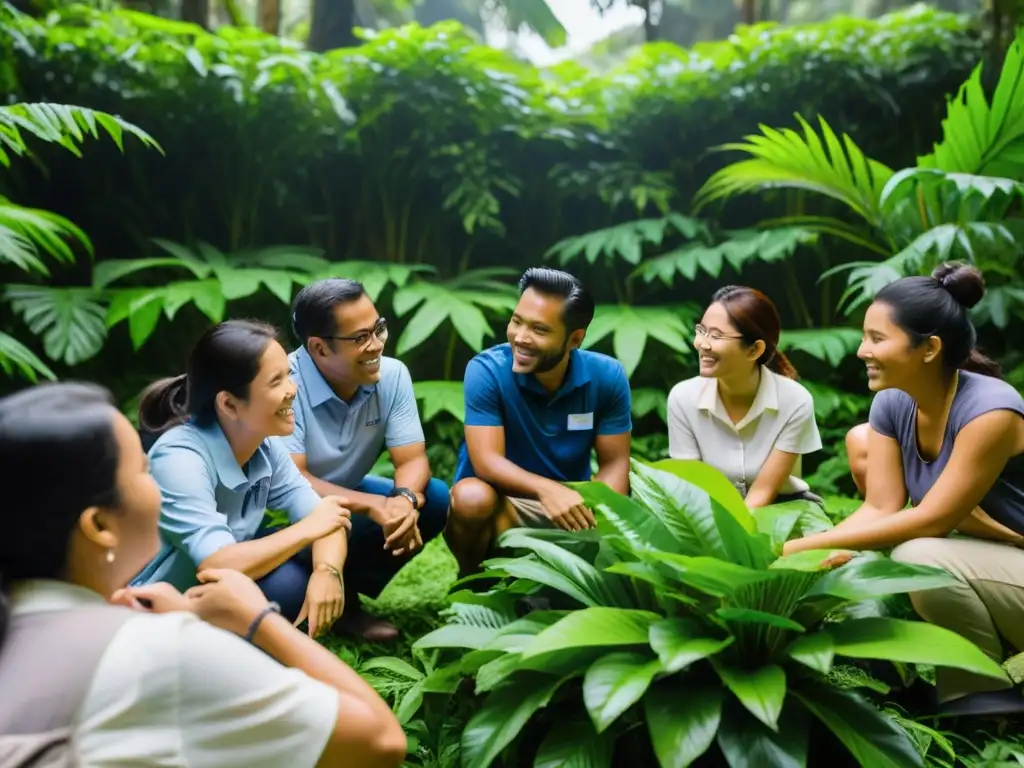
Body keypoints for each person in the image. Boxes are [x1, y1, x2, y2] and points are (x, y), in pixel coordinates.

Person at [0, 381, 406, 767]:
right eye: (143, 471)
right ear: (100, 527)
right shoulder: (161, 650)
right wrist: (256, 619)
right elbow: (379, 742)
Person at [783, 263, 1024, 716]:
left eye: (877, 338)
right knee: (888, 552)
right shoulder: (893, 402)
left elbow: (932, 519)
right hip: (1000, 561)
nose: (861, 351)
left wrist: (796, 545)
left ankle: (979, 696)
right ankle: (972, 694)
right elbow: (880, 507)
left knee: (920, 554)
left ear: (929, 348)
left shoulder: (990, 410)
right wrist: (814, 555)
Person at [132, 320, 354, 640]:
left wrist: (327, 572)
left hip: (212, 590)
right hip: (150, 611)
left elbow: (327, 519)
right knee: (289, 582)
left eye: (289, 375)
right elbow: (216, 561)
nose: (293, 390)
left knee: (300, 574)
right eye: (276, 381)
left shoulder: (264, 445)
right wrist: (309, 528)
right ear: (229, 404)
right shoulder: (179, 457)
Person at [284, 278, 449, 642]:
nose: (376, 345)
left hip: (345, 498)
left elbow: (413, 460)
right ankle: (315, 590)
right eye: (360, 338)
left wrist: (404, 501)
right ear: (319, 348)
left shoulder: (391, 375)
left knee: (432, 498)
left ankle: (348, 601)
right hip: (282, 515)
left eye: (379, 329)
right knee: (288, 594)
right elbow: (294, 480)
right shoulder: (281, 384)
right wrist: (374, 505)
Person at [445, 267, 632, 576]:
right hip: (505, 504)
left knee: (634, 501)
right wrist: (547, 490)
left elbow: (615, 464)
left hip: (572, 503)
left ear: (575, 339)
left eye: (539, 330)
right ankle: (473, 581)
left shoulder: (607, 376)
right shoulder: (486, 370)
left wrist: (594, 506)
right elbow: (487, 461)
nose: (520, 338)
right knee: (471, 497)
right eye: (516, 321)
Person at [667, 285, 822, 508]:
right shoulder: (683, 398)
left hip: (780, 509)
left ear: (754, 350)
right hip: (707, 511)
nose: (701, 343)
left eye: (716, 336)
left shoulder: (795, 401)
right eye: (701, 331)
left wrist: (734, 540)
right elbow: (690, 485)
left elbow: (765, 490)